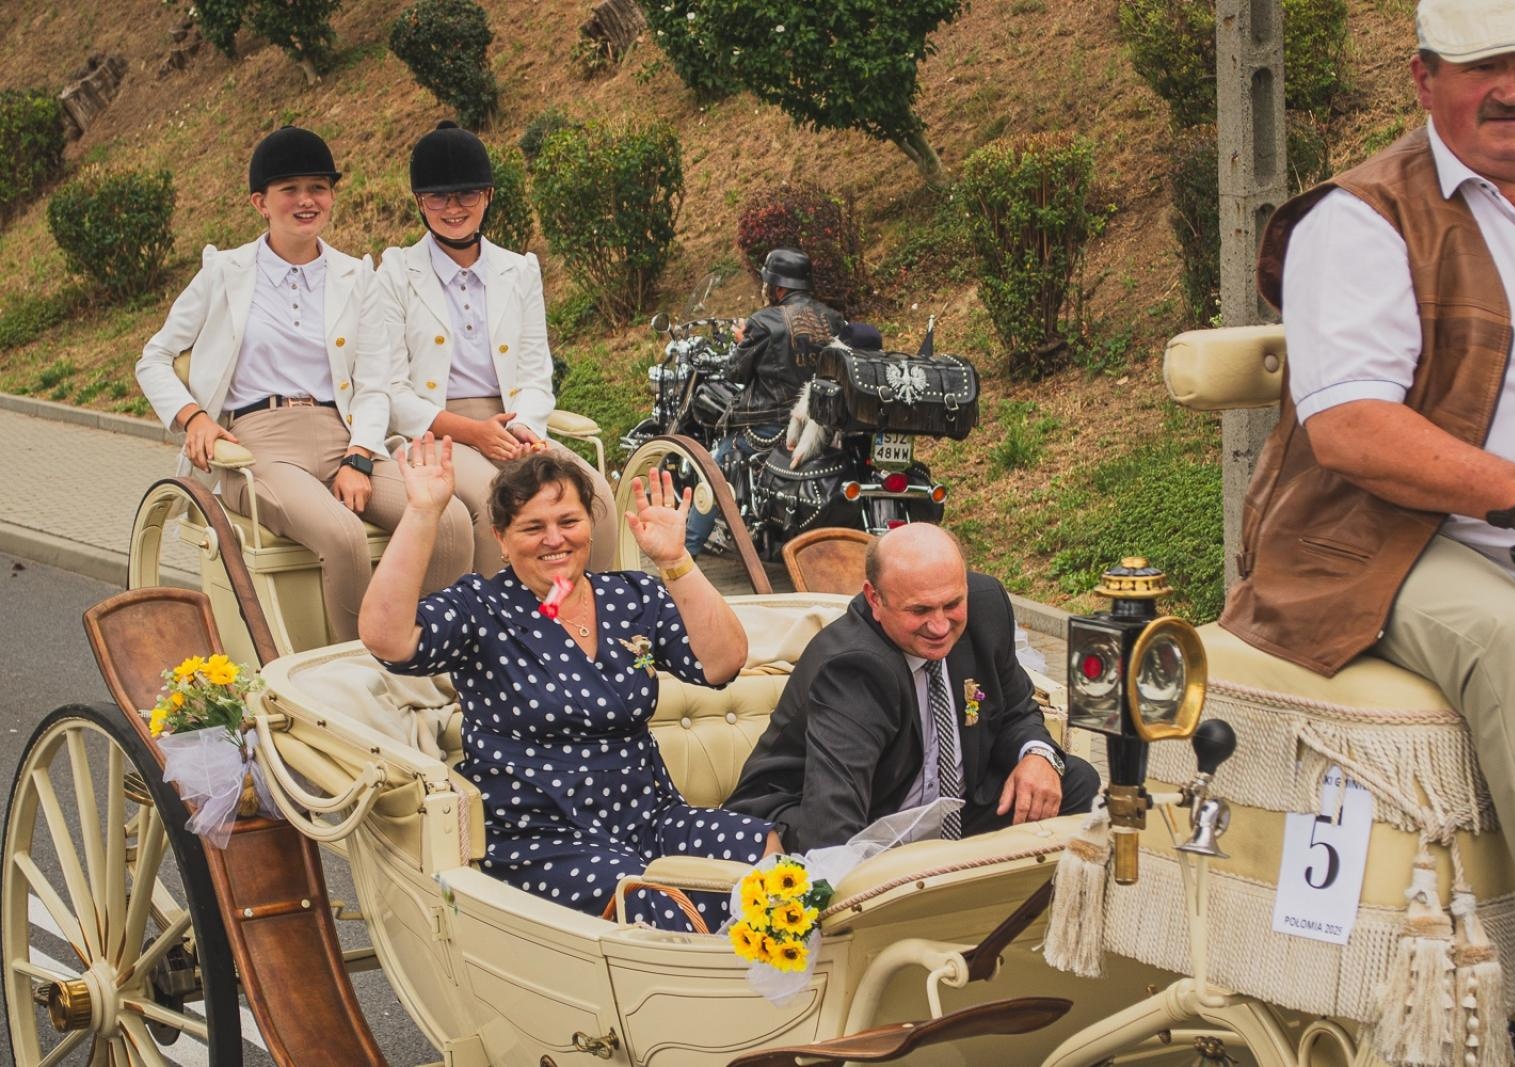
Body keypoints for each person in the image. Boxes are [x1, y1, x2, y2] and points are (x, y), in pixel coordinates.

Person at [1221, 0, 1515, 957]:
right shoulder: (1361, 217)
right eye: (1485, 67)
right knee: (1510, 641)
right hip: (1385, 546)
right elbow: (1350, 428)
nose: (1514, 89)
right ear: (1425, 79)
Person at [359, 441, 776, 929]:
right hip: (540, 837)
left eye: (568, 522)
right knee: (647, 898)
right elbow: (387, 639)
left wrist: (676, 559)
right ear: (502, 538)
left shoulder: (631, 595)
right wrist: (424, 512)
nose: (554, 540)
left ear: (589, 526)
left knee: (770, 855)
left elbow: (722, 662)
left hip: (649, 818)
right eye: (532, 527)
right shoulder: (482, 608)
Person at [136, 126, 472, 644]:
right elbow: (154, 358)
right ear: (260, 203)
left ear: (332, 196)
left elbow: (375, 383)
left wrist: (360, 455)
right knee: (342, 536)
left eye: (318, 187)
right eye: (289, 189)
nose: (306, 200)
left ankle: (435, 660)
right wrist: (194, 417)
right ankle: (361, 679)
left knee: (449, 519)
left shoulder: (355, 276)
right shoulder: (225, 272)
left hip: (345, 436)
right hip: (261, 446)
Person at [725, 523, 1099, 851]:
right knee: (837, 851)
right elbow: (834, 815)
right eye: (919, 611)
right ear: (875, 599)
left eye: (952, 604)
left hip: (949, 811)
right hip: (851, 816)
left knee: (1076, 780)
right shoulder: (853, 665)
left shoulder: (986, 608)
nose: (939, 626)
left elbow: (1016, 711)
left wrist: (1037, 756)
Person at [379, 121, 616, 576]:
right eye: (439, 197)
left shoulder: (518, 270)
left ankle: (587, 615)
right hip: (435, 430)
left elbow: (533, 372)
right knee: (500, 499)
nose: (454, 208)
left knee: (594, 493)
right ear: (419, 202)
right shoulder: (395, 273)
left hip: (511, 425)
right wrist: (475, 433)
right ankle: (497, 633)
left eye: (467, 194)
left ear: (487, 195)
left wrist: (525, 426)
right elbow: (391, 390)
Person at [685, 247, 846, 556]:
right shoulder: (833, 319)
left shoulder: (764, 321)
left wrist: (740, 342)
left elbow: (736, 371)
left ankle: (685, 554)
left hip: (768, 424)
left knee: (713, 470)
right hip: (818, 421)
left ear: (779, 286)